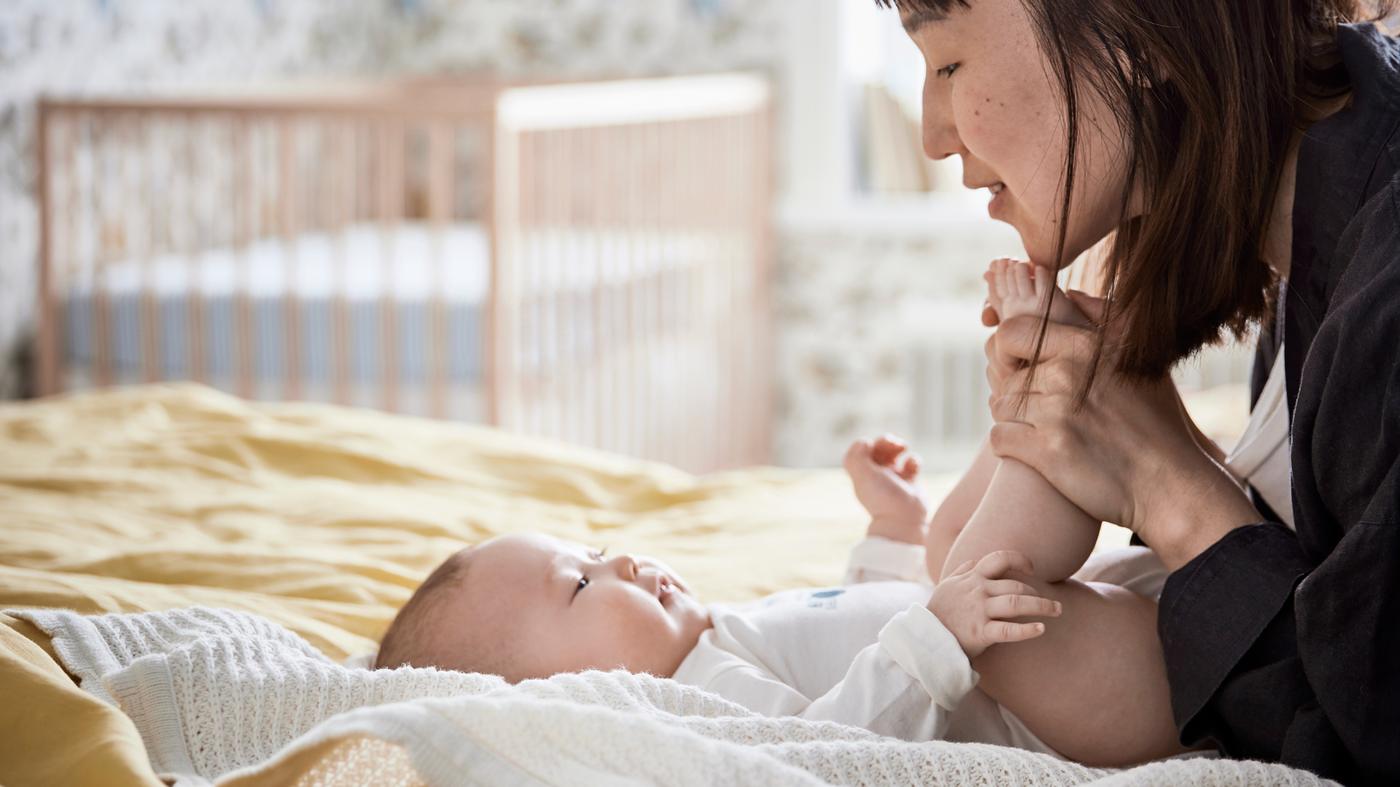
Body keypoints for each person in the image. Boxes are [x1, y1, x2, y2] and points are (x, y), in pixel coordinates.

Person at [881, 0, 1400, 782]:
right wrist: (1155, 446)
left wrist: (1167, 488)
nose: (932, 134)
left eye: (949, 63)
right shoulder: (1325, 233)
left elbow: (1372, 738)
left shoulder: (1383, 291)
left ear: (1134, 33)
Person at [375, 426, 1185, 766]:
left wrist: (888, 530)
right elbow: (834, 745)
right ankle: (1060, 422)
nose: (620, 558)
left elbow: (851, 633)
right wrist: (937, 639)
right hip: (1052, 701)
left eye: (596, 548)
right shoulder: (694, 699)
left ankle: (1069, 430)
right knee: (977, 545)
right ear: (563, 693)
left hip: (1038, 637)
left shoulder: (716, 635)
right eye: (580, 582)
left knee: (950, 547)